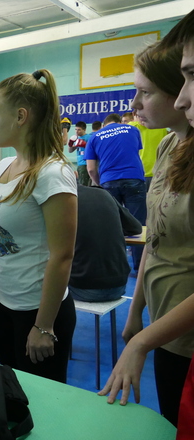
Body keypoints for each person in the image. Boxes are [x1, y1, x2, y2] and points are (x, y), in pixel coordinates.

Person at [97, 30, 194, 429]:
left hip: (185, 332)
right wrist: (136, 311)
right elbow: (154, 240)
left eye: (145, 93)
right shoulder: (168, 146)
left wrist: (143, 341)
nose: (134, 104)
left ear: (177, 92)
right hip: (162, 322)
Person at [0, 69, 78, 383]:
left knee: (40, 400)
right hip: (2, 301)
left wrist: (44, 325)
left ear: (20, 116)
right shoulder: (4, 165)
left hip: (36, 309)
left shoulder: (53, 174)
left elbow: (62, 256)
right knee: (12, 389)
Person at [86, 113, 146, 271]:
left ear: (104, 124)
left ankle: (114, 266)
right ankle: (140, 267)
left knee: (111, 225)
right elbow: (135, 153)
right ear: (119, 122)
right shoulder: (133, 130)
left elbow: (91, 169)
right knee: (139, 225)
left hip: (109, 181)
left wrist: (101, 184)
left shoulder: (94, 136)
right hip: (134, 177)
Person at [68, 185, 142, 302]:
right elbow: (136, 228)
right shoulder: (103, 194)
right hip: (119, 285)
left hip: (83, 287)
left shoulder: (62, 200)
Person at [68, 121, 91, 186]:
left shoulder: (89, 137)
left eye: (79, 130)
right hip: (80, 163)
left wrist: (85, 145)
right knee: (82, 182)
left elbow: (94, 149)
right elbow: (70, 151)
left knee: (84, 184)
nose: (77, 131)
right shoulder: (76, 138)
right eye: (76, 129)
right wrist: (70, 144)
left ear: (84, 129)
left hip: (87, 162)